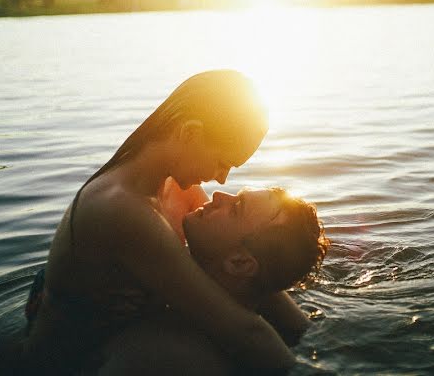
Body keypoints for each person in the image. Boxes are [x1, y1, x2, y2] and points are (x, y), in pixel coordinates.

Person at [21, 71, 310, 374]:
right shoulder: (121, 208)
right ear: (190, 134)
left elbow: (252, 266)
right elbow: (243, 330)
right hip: (60, 360)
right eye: (223, 162)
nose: (222, 179)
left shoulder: (180, 191)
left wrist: (312, 334)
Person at [95, 187, 329, 375]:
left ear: (239, 263)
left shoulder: (164, 354)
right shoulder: (254, 290)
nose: (218, 195)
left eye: (236, 208)